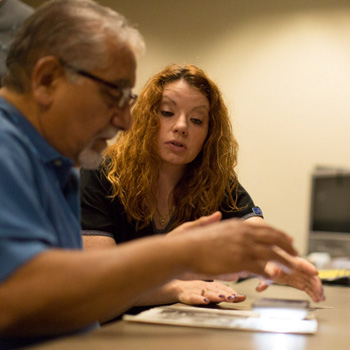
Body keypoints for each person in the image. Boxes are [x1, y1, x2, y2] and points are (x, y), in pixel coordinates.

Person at [0, 0, 319, 348]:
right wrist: (178, 256)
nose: (125, 120)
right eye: (113, 95)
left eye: (196, 120)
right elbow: (15, 295)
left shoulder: (60, 164)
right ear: (47, 80)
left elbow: (79, 299)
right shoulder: (9, 150)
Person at [80, 64, 324, 306]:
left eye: (197, 119)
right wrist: (175, 288)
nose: (181, 126)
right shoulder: (103, 173)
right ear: (145, 118)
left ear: (210, 132)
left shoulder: (215, 179)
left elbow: (254, 234)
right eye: (167, 113)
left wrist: (276, 262)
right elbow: (100, 282)